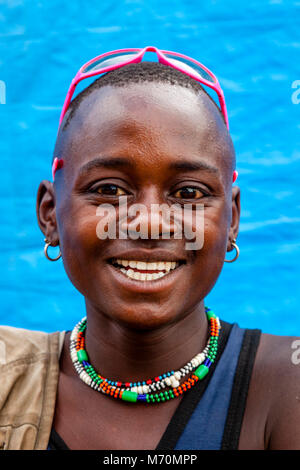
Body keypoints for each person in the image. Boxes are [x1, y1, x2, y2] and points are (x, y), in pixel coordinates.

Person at [0, 47, 299, 451]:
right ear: (50, 214)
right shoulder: (8, 378)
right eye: (109, 190)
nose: (150, 222)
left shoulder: (288, 385)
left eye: (189, 192)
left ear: (232, 219)